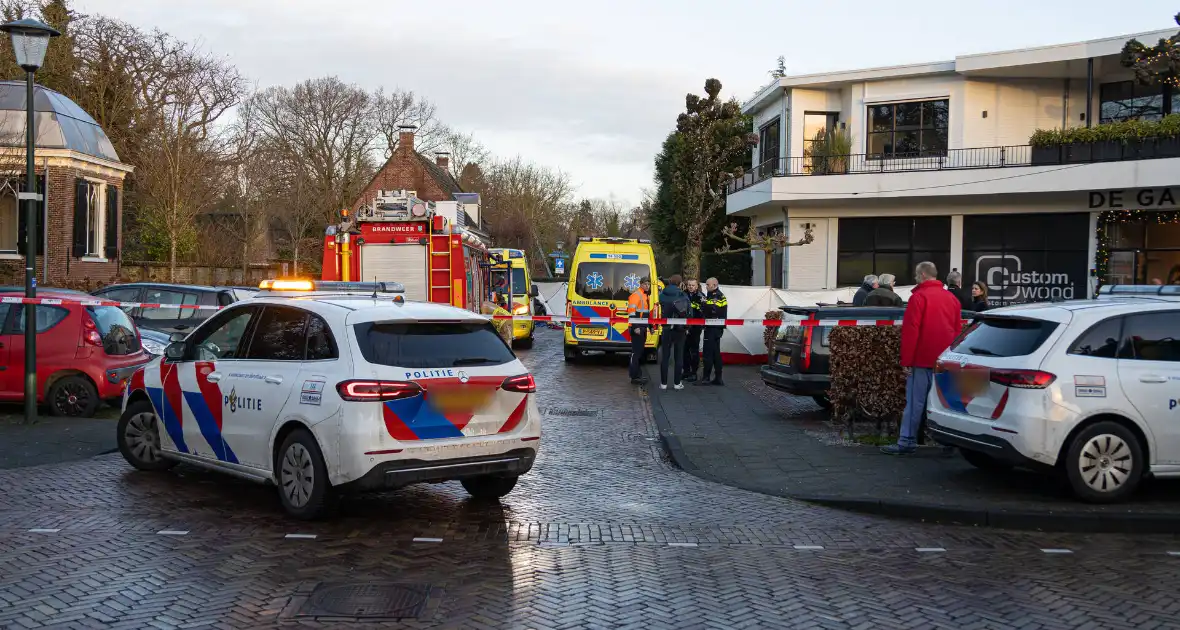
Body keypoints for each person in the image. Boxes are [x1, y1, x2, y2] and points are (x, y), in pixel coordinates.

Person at [882, 261, 962, 456]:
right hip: (945, 361)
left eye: (917, 275)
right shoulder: (952, 299)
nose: (916, 278)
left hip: (921, 360)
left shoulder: (918, 298)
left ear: (923, 275)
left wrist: (906, 361)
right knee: (947, 402)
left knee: (915, 403)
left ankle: (907, 441)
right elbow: (957, 331)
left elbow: (911, 332)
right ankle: (949, 443)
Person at [657, 274, 690, 390]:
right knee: (679, 356)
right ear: (680, 283)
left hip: (666, 328)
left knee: (665, 356)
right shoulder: (682, 295)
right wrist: (687, 328)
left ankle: (663, 384)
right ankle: (677, 383)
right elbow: (689, 313)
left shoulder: (662, 295)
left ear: (669, 282)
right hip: (680, 329)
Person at [697, 277, 728, 386]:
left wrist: (704, 303)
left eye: (708, 285)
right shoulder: (715, 295)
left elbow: (713, 310)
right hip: (716, 328)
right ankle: (718, 378)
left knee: (708, 353)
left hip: (712, 328)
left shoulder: (717, 296)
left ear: (714, 285)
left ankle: (706, 377)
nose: (706, 286)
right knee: (715, 353)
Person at [627, 276, 653, 385]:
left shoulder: (645, 296)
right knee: (636, 353)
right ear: (641, 284)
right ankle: (634, 376)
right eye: (645, 284)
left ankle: (637, 374)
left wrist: (650, 326)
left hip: (642, 327)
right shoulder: (636, 295)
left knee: (639, 352)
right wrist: (635, 327)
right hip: (637, 328)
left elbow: (646, 314)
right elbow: (632, 312)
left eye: (648, 284)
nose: (647, 286)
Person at [682, 278, 705, 382]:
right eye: (689, 285)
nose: (690, 287)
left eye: (693, 285)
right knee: (684, 350)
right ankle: (686, 371)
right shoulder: (683, 294)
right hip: (684, 326)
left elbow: (703, 311)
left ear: (697, 286)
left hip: (696, 327)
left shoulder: (701, 296)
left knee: (694, 351)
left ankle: (694, 373)